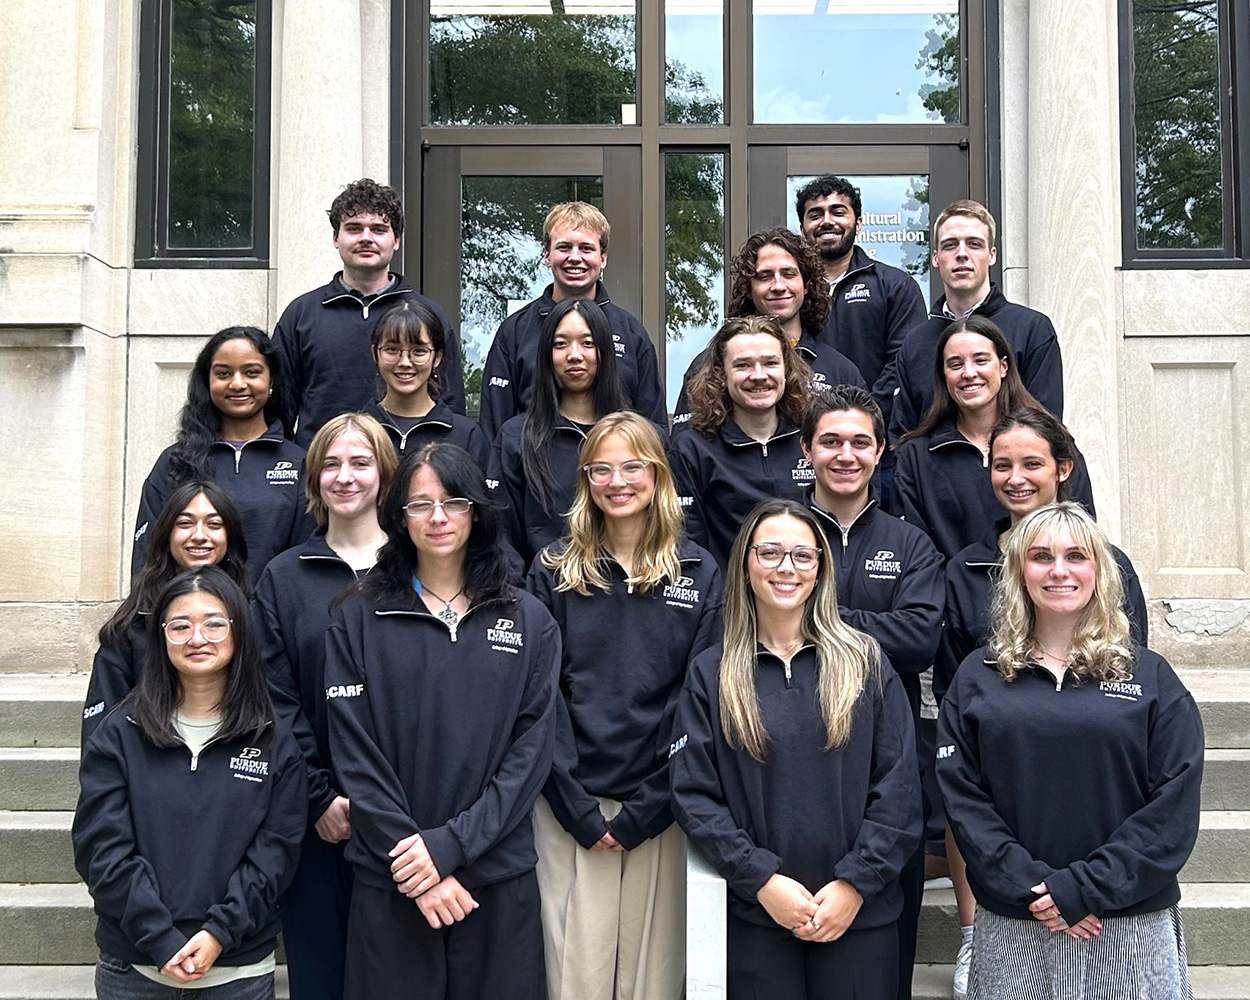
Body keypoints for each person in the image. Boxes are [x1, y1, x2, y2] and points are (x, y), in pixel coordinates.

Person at [937, 502, 1202, 1000]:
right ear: (1019, 573)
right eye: (1041, 557)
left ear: (1100, 571)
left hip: (1126, 923)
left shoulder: (1150, 677)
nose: (1058, 570)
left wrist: (1085, 889)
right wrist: (1037, 888)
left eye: (1076, 556)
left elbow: (1173, 807)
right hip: (1016, 921)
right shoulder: (977, 676)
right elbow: (964, 801)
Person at [325, 443, 558, 1000]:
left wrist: (450, 848)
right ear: (399, 517)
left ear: (475, 511)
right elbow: (354, 754)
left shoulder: (528, 619)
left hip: (494, 877)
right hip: (392, 876)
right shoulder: (356, 616)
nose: (437, 517)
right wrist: (417, 862)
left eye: (453, 502)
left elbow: (530, 756)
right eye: (419, 504)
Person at [670, 499, 921, 1000]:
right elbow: (694, 795)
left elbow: (899, 789)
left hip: (859, 917)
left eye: (803, 555)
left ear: (820, 568)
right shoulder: (712, 673)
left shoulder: (865, 662)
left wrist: (855, 883)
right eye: (770, 552)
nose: (787, 567)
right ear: (745, 564)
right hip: (758, 918)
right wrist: (760, 879)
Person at [935, 409, 1148, 1000]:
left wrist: (1084, 887)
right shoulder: (966, 567)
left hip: (1088, 758)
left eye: (1032, 463)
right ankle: (974, 934)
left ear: (1063, 470)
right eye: (1002, 465)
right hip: (1002, 752)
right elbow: (955, 682)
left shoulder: (1109, 564)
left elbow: (1134, 670)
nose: (1016, 477)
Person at [526, 412, 723, 1000]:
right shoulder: (552, 570)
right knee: (575, 979)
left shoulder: (699, 571)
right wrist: (575, 807)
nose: (617, 482)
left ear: (658, 474)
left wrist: (650, 806)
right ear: (585, 479)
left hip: (661, 805)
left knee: (652, 983)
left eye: (632, 466)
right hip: (569, 805)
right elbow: (538, 698)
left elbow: (701, 699)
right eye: (601, 469)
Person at [73, 565, 306, 999]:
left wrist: (219, 932)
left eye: (214, 623)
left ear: (239, 631)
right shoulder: (120, 733)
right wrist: (159, 938)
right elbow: (101, 849)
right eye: (180, 626)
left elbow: (275, 855)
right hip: (134, 971)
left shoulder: (273, 741)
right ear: (161, 638)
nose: (197, 638)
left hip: (237, 973)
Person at [799, 386, 943, 999]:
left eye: (860, 442)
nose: (846, 455)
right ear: (806, 449)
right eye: (831, 441)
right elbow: (746, 623)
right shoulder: (778, 532)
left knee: (886, 952)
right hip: (791, 757)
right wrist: (874, 625)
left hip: (885, 765)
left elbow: (918, 640)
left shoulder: (909, 543)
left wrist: (816, 617)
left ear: (880, 451)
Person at [251, 413, 397, 1000]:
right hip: (315, 820)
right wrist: (318, 796)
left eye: (361, 462)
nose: (345, 476)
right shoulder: (283, 578)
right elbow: (273, 696)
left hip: (408, 817)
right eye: (331, 464)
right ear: (313, 479)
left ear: (385, 476)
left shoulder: (420, 569)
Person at [272, 178, 464, 446]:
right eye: (354, 228)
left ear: (396, 240)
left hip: (411, 464)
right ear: (336, 238)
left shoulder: (428, 316)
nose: (366, 238)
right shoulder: (301, 315)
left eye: (378, 229)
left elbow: (451, 407)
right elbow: (278, 411)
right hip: (323, 466)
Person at [891, 315, 1095, 561]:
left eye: (981, 360)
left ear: (1003, 366)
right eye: (955, 364)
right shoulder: (915, 457)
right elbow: (914, 553)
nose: (969, 373)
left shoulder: (1054, 445)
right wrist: (962, 582)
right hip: (951, 585)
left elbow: (1083, 539)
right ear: (943, 375)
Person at [132, 326, 315, 579]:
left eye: (251, 372)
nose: (237, 383)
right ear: (207, 381)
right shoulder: (175, 460)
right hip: (192, 603)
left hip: (271, 604)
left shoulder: (298, 462)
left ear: (271, 380)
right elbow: (148, 556)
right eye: (223, 374)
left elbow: (304, 558)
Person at [479, 201, 666, 439]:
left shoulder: (631, 333)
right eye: (564, 247)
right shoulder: (515, 331)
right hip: (534, 461)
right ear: (547, 255)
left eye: (586, 248)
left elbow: (654, 429)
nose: (575, 258)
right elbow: (494, 429)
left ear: (603, 257)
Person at [85, 483, 251, 743]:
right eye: (185, 523)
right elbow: (101, 728)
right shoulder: (131, 625)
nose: (199, 535)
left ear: (230, 537)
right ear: (166, 536)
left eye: (214, 524)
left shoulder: (255, 615)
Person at [889, 200, 1063, 443]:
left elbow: (1047, 432)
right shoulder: (915, 343)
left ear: (991, 255)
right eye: (950, 245)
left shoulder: (1032, 330)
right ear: (935, 258)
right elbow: (902, 436)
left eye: (974, 244)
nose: (962, 254)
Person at [671, 228, 864, 433]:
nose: (778, 286)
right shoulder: (709, 365)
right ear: (748, 288)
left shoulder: (841, 372)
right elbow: (685, 445)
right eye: (765, 276)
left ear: (806, 285)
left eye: (789, 274)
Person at [488, 297, 629, 567]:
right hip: (541, 586)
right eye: (560, 344)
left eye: (588, 343)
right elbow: (502, 540)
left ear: (604, 352)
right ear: (546, 355)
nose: (574, 355)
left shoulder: (634, 438)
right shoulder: (516, 438)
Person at [669, 316, 816, 569]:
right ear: (721, 375)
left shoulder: (813, 440)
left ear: (786, 370)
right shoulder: (692, 450)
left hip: (804, 586)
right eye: (743, 365)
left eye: (770, 363)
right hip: (726, 591)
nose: (758, 375)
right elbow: (689, 544)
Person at [794, 175, 927, 408]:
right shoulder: (788, 291)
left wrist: (866, 416)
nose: (827, 221)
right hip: (801, 424)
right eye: (815, 215)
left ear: (858, 224)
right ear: (802, 229)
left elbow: (904, 361)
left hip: (874, 424)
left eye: (838, 212)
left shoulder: (895, 286)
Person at [360, 298, 489, 467]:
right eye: (392, 350)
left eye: (419, 351)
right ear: (375, 354)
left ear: (437, 357)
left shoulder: (466, 436)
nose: (404, 362)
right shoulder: (357, 431)